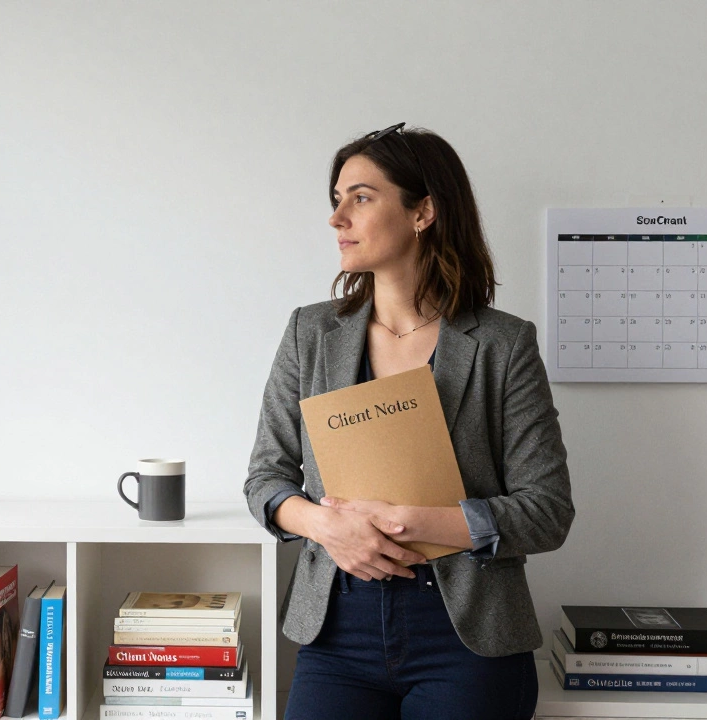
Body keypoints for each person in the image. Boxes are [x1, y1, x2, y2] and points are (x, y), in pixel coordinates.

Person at [243, 123, 574, 719]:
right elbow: (265, 480)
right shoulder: (309, 333)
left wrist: (414, 522)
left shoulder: (503, 344)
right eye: (336, 199)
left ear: (423, 211)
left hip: (466, 635)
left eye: (361, 197)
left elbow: (546, 513)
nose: (337, 218)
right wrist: (326, 526)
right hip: (336, 631)